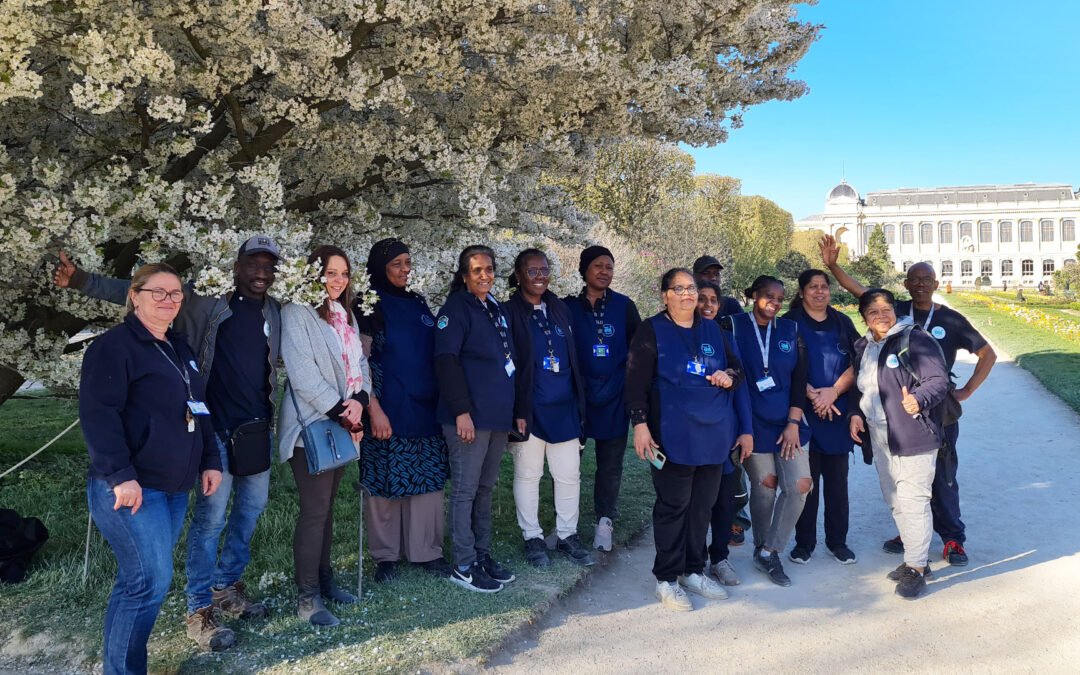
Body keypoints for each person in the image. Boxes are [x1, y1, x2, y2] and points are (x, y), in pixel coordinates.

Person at [55, 236, 283, 650]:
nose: (261, 273)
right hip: (212, 429)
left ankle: (227, 587)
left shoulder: (275, 312)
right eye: (254, 264)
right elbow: (142, 291)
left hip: (255, 430)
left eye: (269, 266)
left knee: (250, 512)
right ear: (236, 266)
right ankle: (199, 606)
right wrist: (82, 281)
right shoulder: (203, 302)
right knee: (209, 522)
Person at [79, 263, 223, 674]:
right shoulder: (114, 346)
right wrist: (120, 475)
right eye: (157, 292)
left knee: (141, 582)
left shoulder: (180, 348)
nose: (167, 300)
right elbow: (99, 415)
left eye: (175, 293)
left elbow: (200, 409)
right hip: (132, 486)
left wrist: (210, 461)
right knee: (148, 582)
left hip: (173, 487)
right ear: (134, 295)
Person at [820, 235, 996, 566]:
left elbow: (987, 353)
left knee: (941, 474)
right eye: (913, 279)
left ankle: (953, 538)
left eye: (925, 279)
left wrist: (968, 390)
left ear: (935, 282)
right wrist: (832, 266)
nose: (919, 284)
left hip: (937, 409)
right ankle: (911, 531)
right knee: (902, 478)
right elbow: (862, 294)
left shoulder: (950, 319)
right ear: (906, 283)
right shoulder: (897, 310)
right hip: (897, 410)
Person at [625, 268, 753, 611]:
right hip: (672, 433)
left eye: (691, 288)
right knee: (673, 507)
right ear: (665, 294)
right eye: (678, 289)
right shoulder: (651, 330)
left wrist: (729, 375)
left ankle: (693, 570)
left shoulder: (713, 328)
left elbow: (738, 368)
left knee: (702, 507)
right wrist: (640, 425)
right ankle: (666, 579)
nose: (687, 294)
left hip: (714, 435)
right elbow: (635, 384)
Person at [278, 245, 369, 627]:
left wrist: (361, 402)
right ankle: (307, 597)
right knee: (314, 511)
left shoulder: (345, 314)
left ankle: (326, 580)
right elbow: (302, 375)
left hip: (344, 422)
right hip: (312, 427)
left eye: (344, 273)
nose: (338, 280)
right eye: (331, 273)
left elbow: (360, 362)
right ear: (315, 274)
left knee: (327, 509)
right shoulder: (296, 313)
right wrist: (343, 413)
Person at [354, 238, 451, 584]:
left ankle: (427, 551)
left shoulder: (419, 303)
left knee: (427, 482)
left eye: (408, 263)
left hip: (426, 410)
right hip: (386, 409)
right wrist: (374, 408)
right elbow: (359, 364)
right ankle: (386, 557)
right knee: (384, 484)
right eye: (397, 264)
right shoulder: (367, 305)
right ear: (380, 267)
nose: (405, 270)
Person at [848, 289, 950, 599]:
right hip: (879, 435)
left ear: (895, 310)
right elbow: (861, 389)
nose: (881, 315)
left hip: (912, 432)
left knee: (913, 499)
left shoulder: (914, 339)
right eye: (873, 311)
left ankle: (916, 567)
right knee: (894, 498)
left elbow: (938, 380)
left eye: (886, 309)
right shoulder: (863, 346)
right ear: (864, 317)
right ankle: (916, 557)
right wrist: (855, 413)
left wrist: (918, 400)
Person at [434, 245, 518, 592]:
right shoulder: (456, 309)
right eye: (477, 270)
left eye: (489, 269)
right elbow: (445, 360)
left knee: (485, 490)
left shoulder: (494, 307)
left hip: (496, 417)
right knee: (465, 491)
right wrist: (461, 412)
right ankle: (464, 564)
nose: (485, 275)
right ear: (464, 275)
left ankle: (481, 556)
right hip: (468, 418)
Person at [505, 249, 593, 567]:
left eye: (545, 270)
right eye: (532, 271)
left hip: (565, 406)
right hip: (529, 408)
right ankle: (533, 538)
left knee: (569, 474)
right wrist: (513, 408)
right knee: (529, 475)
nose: (540, 277)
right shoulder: (509, 312)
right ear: (517, 275)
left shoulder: (559, 308)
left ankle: (567, 534)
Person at [721, 276, 811, 587]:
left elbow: (800, 379)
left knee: (800, 485)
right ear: (753, 295)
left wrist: (793, 423)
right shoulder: (731, 325)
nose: (774, 301)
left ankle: (771, 548)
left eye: (779, 297)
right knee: (766, 485)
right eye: (768, 296)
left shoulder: (790, 329)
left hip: (788, 424)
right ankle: (763, 548)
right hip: (751, 424)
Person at [564, 246, 641, 552]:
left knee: (610, 464)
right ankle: (565, 523)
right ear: (584, 270)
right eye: (598, 266)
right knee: (570, 464)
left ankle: (604, 520)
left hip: (614, 396)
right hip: (577, 398)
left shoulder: (624, 306)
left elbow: (640, 350)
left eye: (609, 267)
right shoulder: (566, 306)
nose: (605, 272)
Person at [782, 270, 860, 566]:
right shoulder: (789, 323)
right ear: (801, 292)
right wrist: (812, 394)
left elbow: (858, 362)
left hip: (837, 415)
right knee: (807, 483)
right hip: (802, 415)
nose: (819, 292)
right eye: (812, 287)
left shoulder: (842, 322)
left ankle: (837, 542)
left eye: (824, 287)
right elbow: (779, 365)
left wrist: (833, 392)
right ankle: (805, 544)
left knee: (838, 485)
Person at [698, 280, 752, 548]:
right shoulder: (671, 335)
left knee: (725, 490)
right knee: (693, 499)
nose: (707, 305)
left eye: (713, 300)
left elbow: (740, 388)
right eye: (701, 298)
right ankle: (691, 559)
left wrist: (745, 430)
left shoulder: (726, 337)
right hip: (689, 430)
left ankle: (720, 554)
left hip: (723, 429)